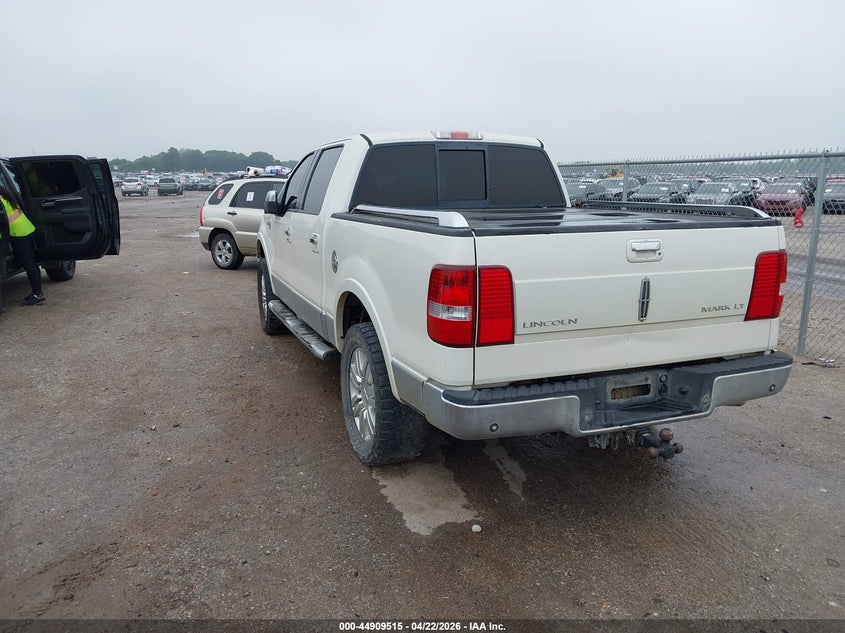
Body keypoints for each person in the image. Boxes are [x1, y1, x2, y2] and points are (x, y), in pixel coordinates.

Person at [0, 185, 45, 305]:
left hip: (18, 233)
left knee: (29, 263)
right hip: (25, 229)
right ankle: (37, 292)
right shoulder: (5, 195)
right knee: (30, 262)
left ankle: (37, 294)